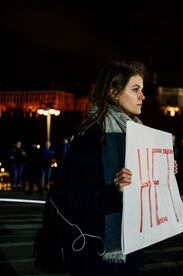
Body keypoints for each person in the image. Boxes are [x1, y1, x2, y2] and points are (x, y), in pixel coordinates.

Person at [53, 60, 148, 275]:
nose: (143, 96)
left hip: (131, 243)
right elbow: (76, 198)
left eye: (143, 90)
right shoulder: (93, 136)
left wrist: (162, 174)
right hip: (99, 250)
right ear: (114, 93)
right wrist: (115, 190)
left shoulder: (136, 133)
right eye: (136, 90)